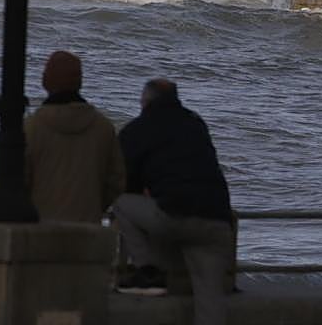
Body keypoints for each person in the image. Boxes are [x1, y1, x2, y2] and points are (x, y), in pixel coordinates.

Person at [113, 79, 234, 325]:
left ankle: (147, 270)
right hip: (218, 221)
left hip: (174, 215)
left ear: (144, 101)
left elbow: (122, 180)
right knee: (211, 301)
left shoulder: (139, 128)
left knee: (121, 202)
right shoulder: (196, 123)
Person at [24, 49, 124, 222]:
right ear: (80, 82)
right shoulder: (103, 127)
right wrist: (94, 207)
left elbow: (18, 182)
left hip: (41, 229)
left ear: (45, 81)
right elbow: (117, 181)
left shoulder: (32, 127)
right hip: (88, 228)